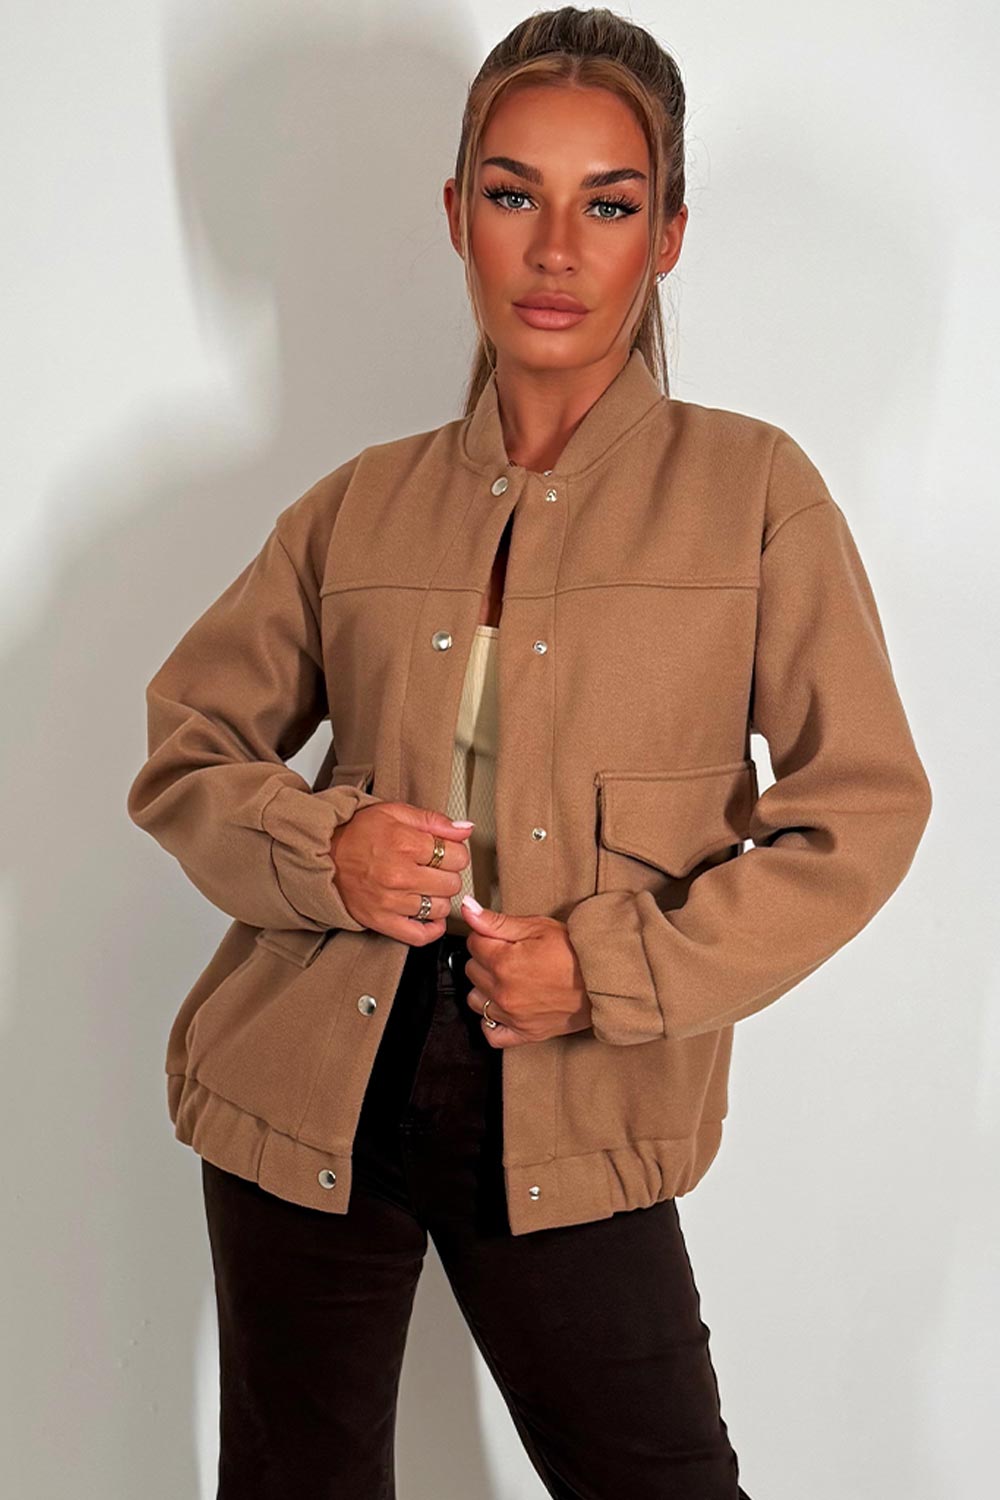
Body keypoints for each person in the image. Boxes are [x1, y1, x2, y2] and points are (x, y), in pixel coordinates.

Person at [126, 8, 932, 1498]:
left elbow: (863, 813)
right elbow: (190, 748)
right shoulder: (356, 507)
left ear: (667, 235)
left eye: (608, 205)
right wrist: (327, 851)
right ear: (457, 215)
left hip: (576, 1089)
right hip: (306, 1082)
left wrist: (611, 970)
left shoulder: (756, 495)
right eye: (514, 194)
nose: (555, 249)